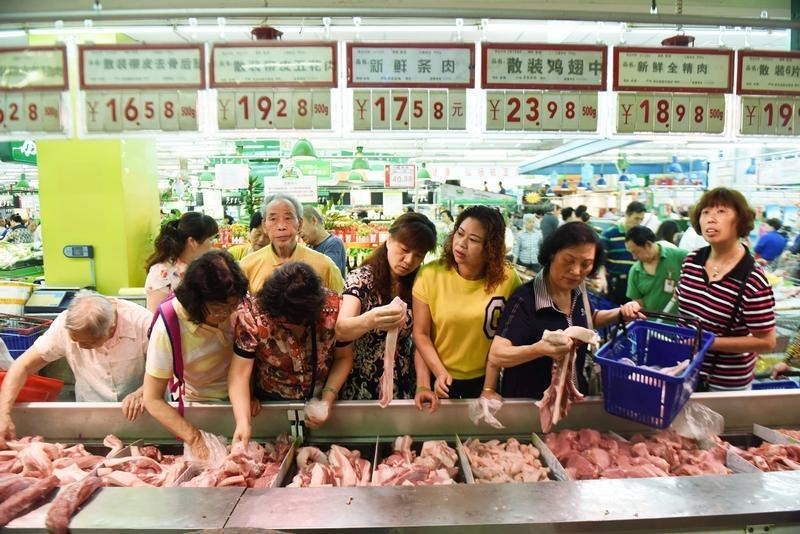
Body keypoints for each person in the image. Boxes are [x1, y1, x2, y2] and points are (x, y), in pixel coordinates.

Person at [487, 222, 643, 399]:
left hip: (572, 398)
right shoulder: (526, 299)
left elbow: (589, 318)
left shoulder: (579, 290)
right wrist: (539, 349)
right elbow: (497, 355)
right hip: (532, 403)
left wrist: (620, 313)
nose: (576, 271)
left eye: (586, 264)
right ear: (552, 254)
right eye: (568, 261)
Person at [0, 291, 152, 445]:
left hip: (145, 415)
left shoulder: (144, 323)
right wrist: (3, 412)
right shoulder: (63, 325)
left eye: (87, 343)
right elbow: (23, 366)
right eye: (75, 341)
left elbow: (170, 367)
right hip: (90, 417)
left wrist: (143, 392)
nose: (79, 346)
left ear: (111, 328)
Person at [229, 262, 353, 445]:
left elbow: (343, 357)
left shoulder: (334, 309)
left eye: (297, 322)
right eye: (281, 321)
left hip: (322, 393)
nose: (289, 326)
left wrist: (327, 399)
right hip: (271, 401)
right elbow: (239, 373)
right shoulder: (253, 315)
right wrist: (242, 421)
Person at [143, 250, 250, 459]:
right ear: (195, 301)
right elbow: (152, 399)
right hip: (200, 401)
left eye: (232, 305)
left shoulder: (240, 306)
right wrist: (194, 438)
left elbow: (244, 365)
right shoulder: (169, 325)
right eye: (217, 309)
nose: (226, 314)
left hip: (245, 399)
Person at [413, 206, 522, 399]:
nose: (461, 244)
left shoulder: (508, 278)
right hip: (438, 377)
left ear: (490, 247)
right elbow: (421, 334)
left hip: (487, 381)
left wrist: (489, 387)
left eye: (473, 240)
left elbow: (511, 332)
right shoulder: (430, 274)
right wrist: (434, 377)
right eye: (460, 233)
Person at [676, 188, 776, 391]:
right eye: (705, 212)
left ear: (739, 221)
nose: (711, 219)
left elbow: (767, 341)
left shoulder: (752, 279)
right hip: (684, 370)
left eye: (721, 211)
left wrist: (708, 343)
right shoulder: (692, 261)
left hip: (725, 381)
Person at [336, 213, 438, 408]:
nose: (409, 261)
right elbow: (341, 329)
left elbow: (421, 337)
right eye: (405, 249)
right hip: (363, 382)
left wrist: (423, 385)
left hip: (404, 380)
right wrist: (370, 320)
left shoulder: (419, 283)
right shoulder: (362, 278)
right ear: (389, 240)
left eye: (418, 256)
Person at [240, 194, 344, 294]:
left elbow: (340, 305)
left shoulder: (325, 265)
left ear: (300, 224)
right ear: (264, 226)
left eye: (288, 218)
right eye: (273, 219)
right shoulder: (247, 267)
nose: (281, 226)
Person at [144, 211, 218, 312]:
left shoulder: (200, 266)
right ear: (192, 241)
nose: (213, 244)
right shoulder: (161, 273)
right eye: (211, 239)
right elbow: (156, 316)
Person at [625, 226, 688, 313]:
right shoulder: (635, 271)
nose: (634, 257)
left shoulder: (680, 257)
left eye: (636, 252)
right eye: (631, 253)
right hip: (652, 323)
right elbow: (638, 302)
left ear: (648, 244)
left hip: (680, 322)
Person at [597, 201, 647, 304]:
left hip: (636, 285)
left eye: (641, 219)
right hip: (615, 284)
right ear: (627, 215)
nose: (638, 222)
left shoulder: (642, 236)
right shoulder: (609, 235)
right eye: (636, 218)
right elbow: (600, 260)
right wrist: (601, 277)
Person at [300, 205, 347, 278]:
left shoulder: (334, 243)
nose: (298, 231)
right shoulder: (309, 246)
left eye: (300, 225)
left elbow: (327, 273)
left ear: (313, 220)